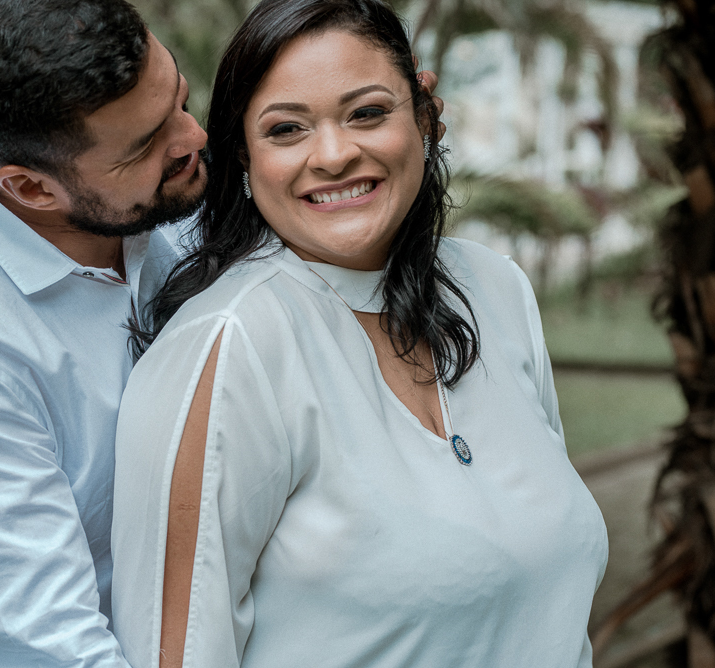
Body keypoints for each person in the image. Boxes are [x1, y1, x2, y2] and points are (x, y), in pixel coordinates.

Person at [0, 0, 445, 665]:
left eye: (179, 101)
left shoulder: (167, 187)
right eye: (146, 144)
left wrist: (406, 130)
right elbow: (48, 650)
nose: (193, 139)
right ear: (32, 189)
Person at [110, 1, 609, 667]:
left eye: (367, 113)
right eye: (286, 129)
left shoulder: (500, 291)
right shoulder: (228, 349)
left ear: (425, 119)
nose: (336, 154)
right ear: (245, 161)